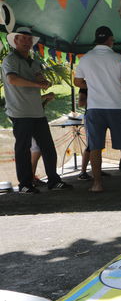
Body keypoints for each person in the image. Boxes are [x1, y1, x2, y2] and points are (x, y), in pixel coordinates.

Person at [1, 26, 73, 193]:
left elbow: (40, 81)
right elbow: (12, 80)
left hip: (37, 112)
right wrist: (37, 84)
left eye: (29, 39)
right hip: (19, 112)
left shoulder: (34, 63)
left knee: (48, 147)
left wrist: (44, 89)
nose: (27, 42)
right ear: (15, 41)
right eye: (23, 38)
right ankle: (25, 184)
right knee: (23, 149)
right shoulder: (10, 60)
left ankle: (54, 181)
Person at [74, 26, 121, 192]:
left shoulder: (86, 58)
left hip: (94, 108)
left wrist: (93, 85)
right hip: (115, 107)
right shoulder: (118, 58)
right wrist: (115, 86)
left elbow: (77, 82)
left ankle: (97, 184)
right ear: (110, 39)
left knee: (95, 147)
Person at [30, 92, 55, 186]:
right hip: (30, 120)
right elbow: (30, 101)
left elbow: (38, 106)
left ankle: (31, 177)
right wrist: (45, 97)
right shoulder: (28, 90)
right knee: (36, 150)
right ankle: (30, 178)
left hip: (35, 119)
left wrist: (46, 100)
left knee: (37, 150)